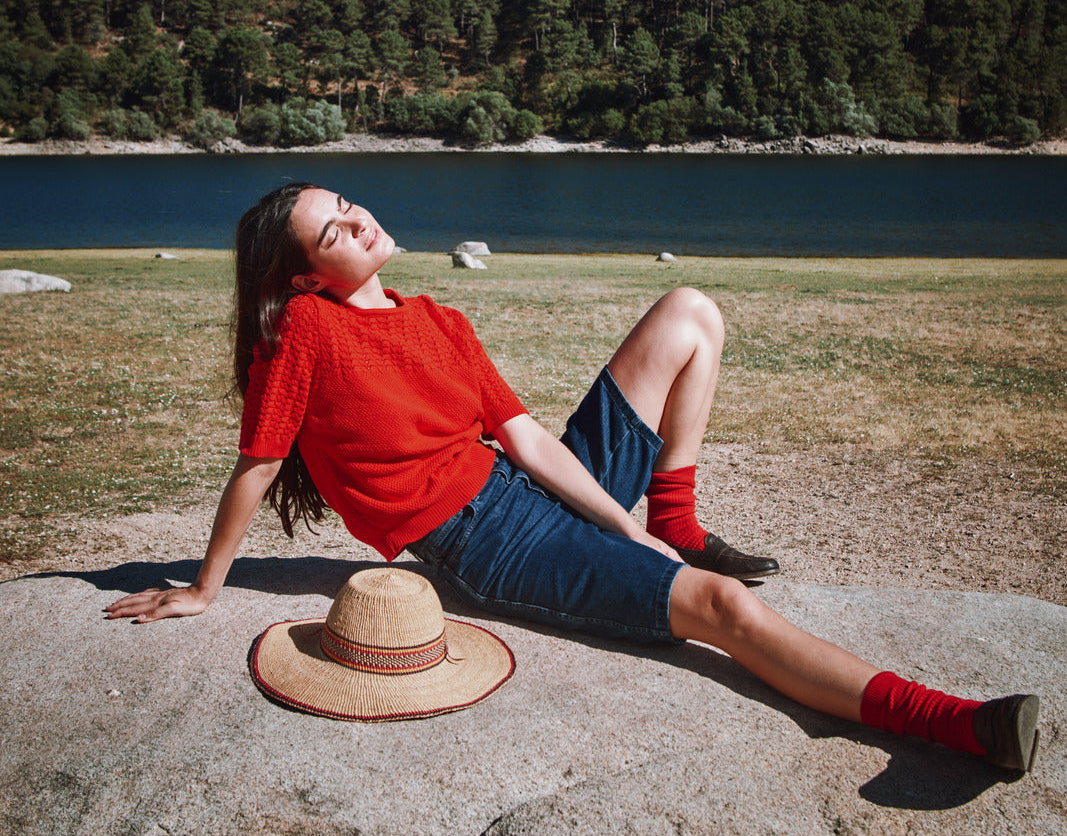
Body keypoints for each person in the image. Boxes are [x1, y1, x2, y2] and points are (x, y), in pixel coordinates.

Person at [106, 181, 1040, 773]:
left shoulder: (440, 317)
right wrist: (203, 586)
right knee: (723, 609)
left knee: (688, 309)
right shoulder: (307, 331)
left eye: (346, 204)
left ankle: (675, 513)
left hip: (526, 495)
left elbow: (527, 442)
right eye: (331, 230)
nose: (356, 218)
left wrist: (628, 524)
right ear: (305, 274)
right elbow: (259, 462)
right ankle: (953, 726)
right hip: (484, 546)